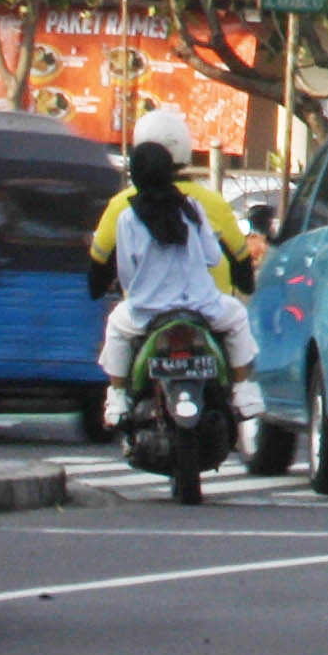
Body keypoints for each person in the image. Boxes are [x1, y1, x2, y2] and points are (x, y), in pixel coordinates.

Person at [88, 106, 262, 428]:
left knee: (116, 326)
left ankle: (117, 396)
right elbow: (217, 258)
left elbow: (123, 272)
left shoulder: (124, 212)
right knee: (238, 316)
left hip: (148, 311)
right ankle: (244, 390)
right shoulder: (197, 205)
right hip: (203, 307)